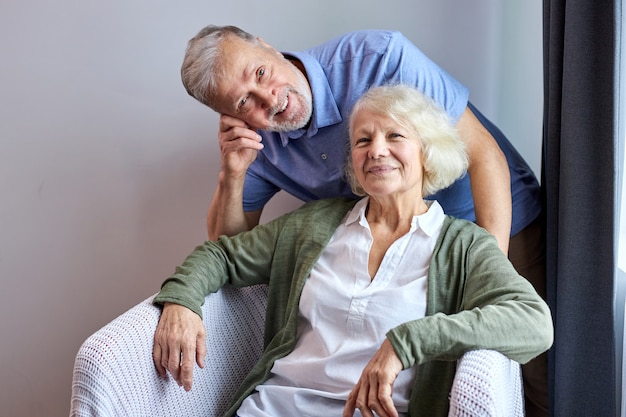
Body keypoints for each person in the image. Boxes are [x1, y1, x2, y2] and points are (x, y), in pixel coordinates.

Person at [180, 25, 548, 415]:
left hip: (491, 215)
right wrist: (232, 174)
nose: (268, 99)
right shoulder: (261, 142)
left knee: (532, 377)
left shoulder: (378, 57)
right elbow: (227, 249)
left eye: (260, 74)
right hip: (381, 237)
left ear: (269, 48)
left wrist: (478, 265)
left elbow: (483, 155)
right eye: (243, 104)